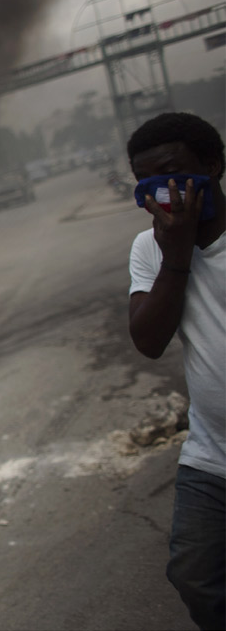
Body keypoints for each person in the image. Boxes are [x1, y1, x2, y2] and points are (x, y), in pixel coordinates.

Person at [127, 112, 225, 631]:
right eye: (148, 184)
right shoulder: (151, 249)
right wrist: (177, 257)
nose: (163, 194)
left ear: (213, 165)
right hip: (213, 456)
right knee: (194, 575)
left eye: (173, 173)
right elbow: (148, 340)